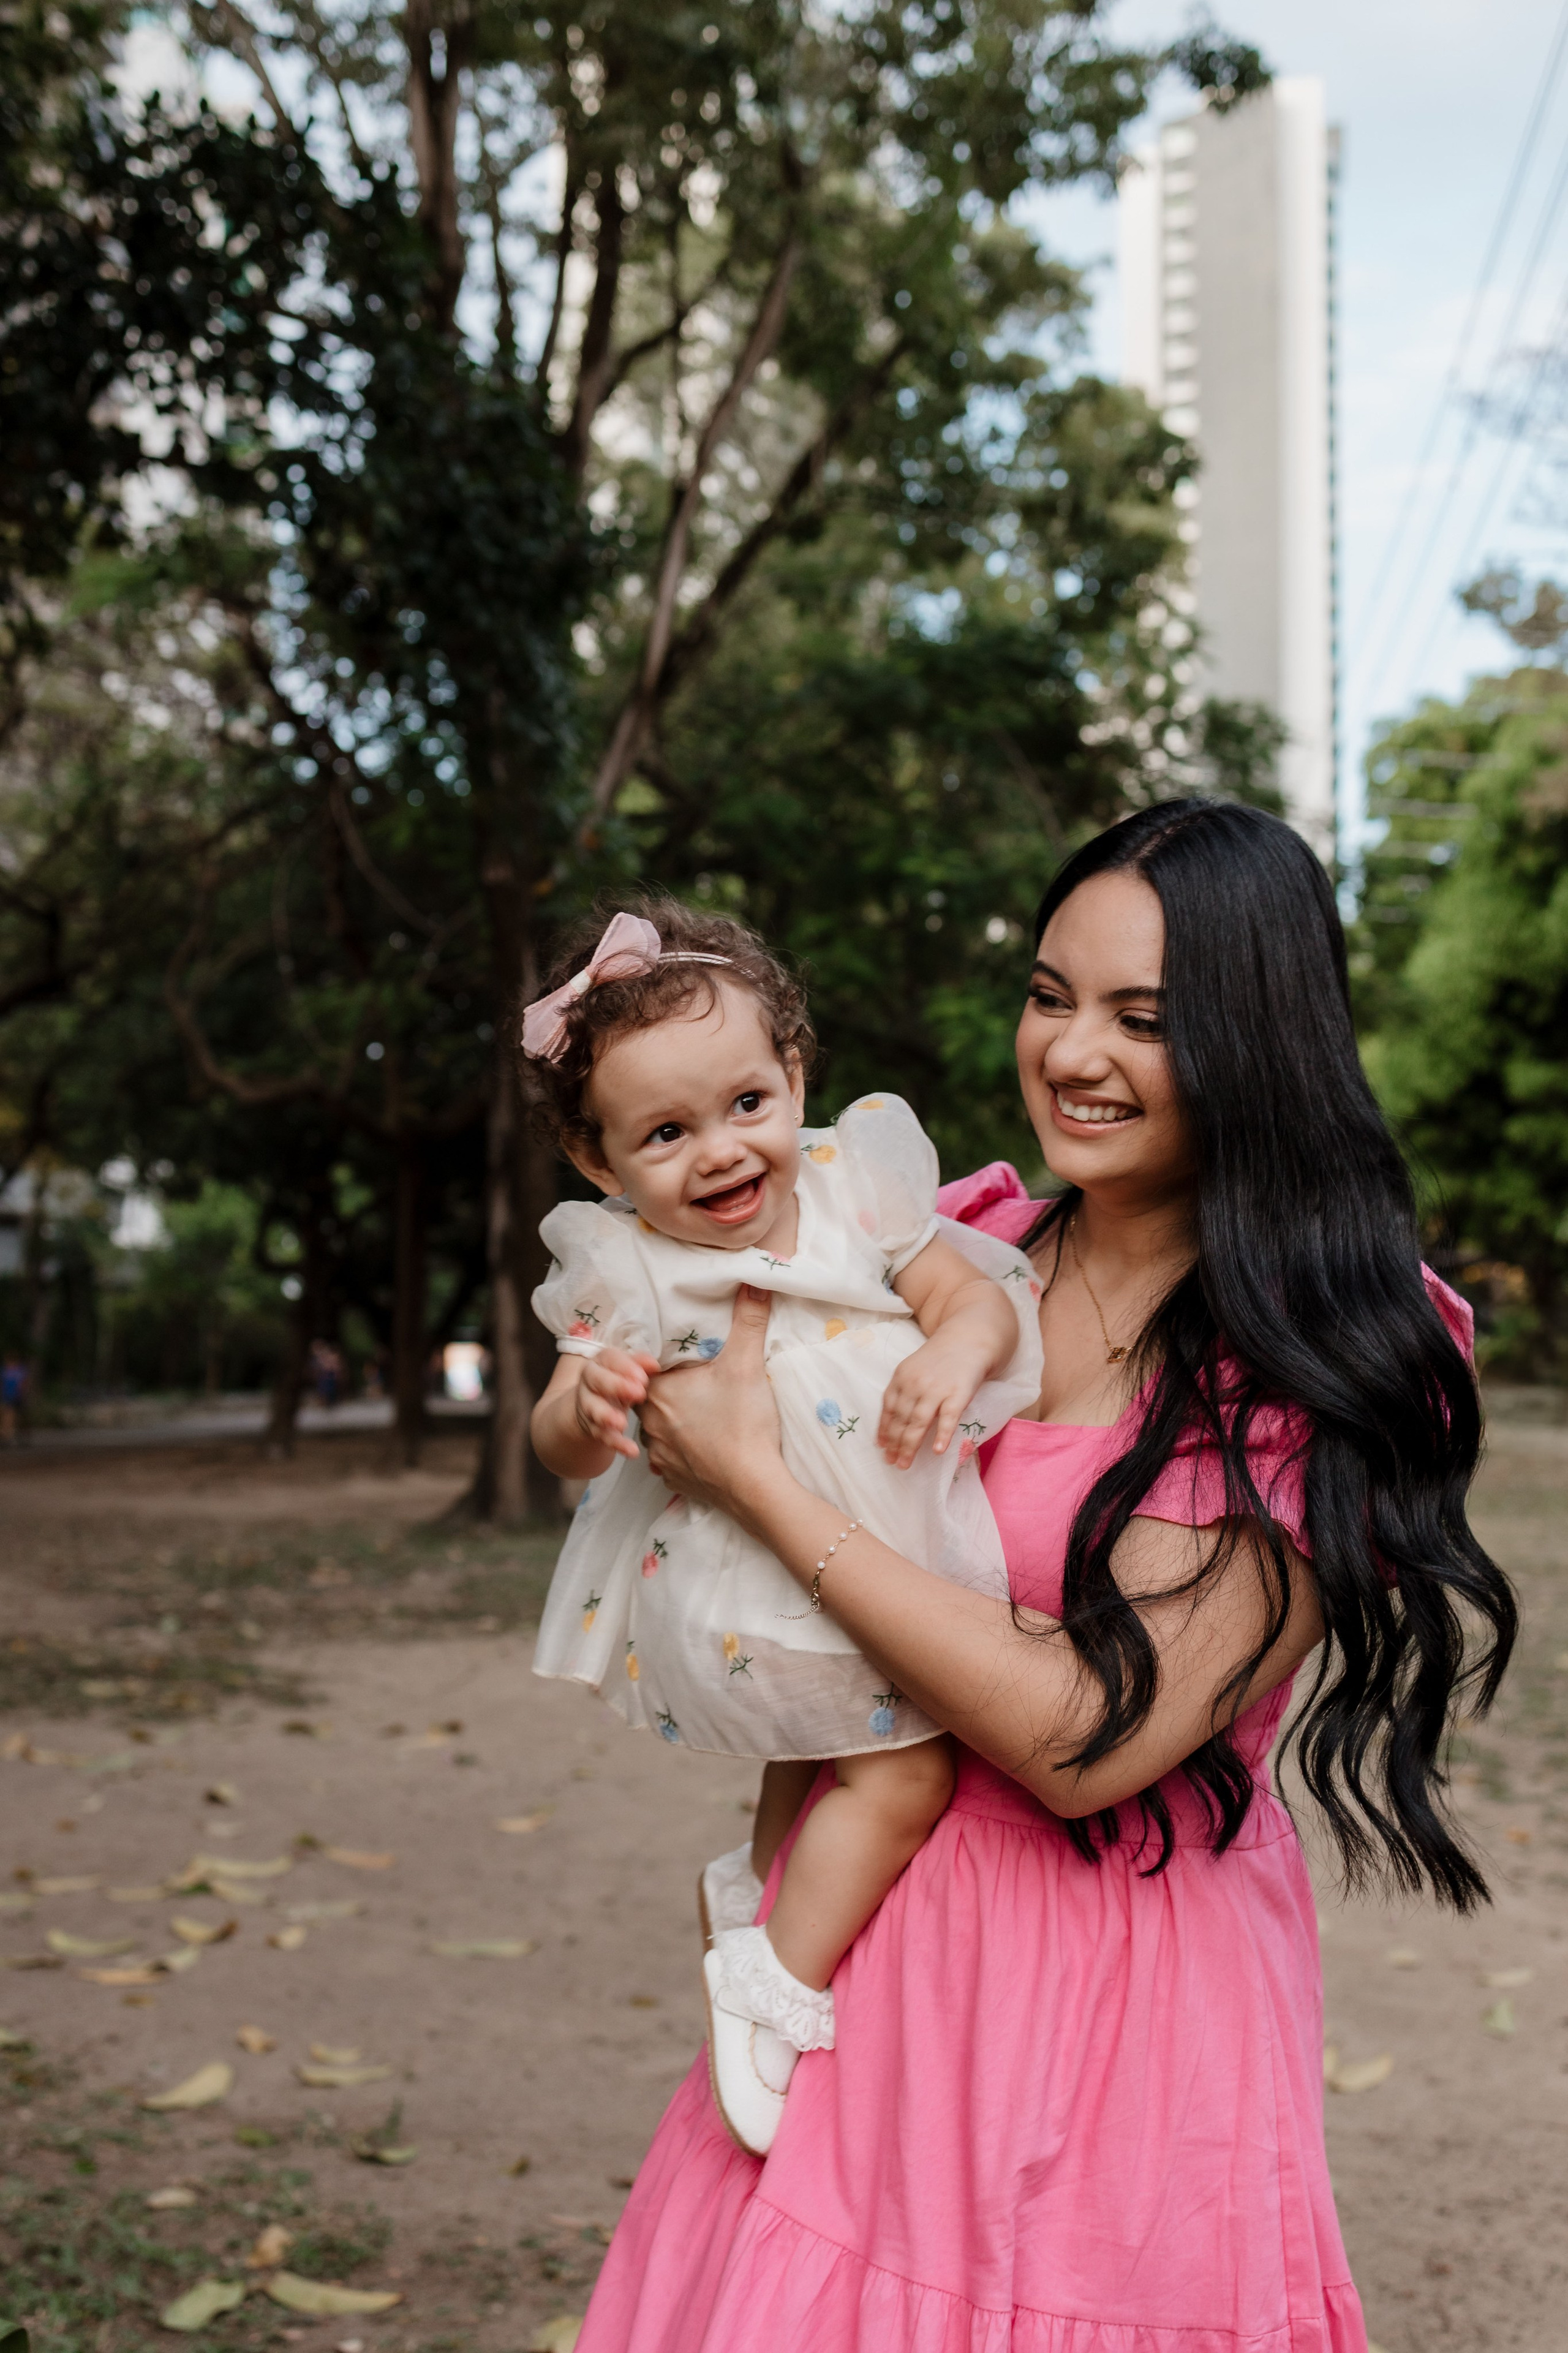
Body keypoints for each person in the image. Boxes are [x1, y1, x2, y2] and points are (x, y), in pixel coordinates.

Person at [576, 801, 1516, 2353]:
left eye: (1142, 1019)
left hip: (1116, 2013)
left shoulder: (1337, 1354)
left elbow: (1089, 1735)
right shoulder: (953, 1240)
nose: (1070, 1052)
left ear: (1258, 1038)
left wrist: (751, 1474)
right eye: (1048, 994)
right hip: (856, 1950)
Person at [522, 902, 1042, 2154]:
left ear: (794, 1077)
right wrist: (586, 1401)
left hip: (882, 1530)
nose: (716, 1151)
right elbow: (554, 1438)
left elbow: (972, 1294)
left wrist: (959, 1355)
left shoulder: (850, 1187)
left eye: (745, 1102)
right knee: (905, 1766)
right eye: (663, 1132)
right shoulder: (631, 1264)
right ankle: (775, 1983)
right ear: (601, 1166)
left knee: (819, 1753)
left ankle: (752, 1899)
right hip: (748, 1564)